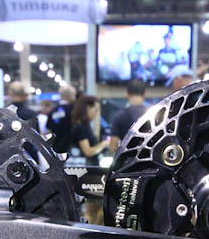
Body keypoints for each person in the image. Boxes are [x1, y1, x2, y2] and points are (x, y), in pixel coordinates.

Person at [71, 95, 110, 224]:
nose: (96, 114)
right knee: (95, 208)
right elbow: (88, 151)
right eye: (95, 110)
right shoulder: (80, 127)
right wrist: (104, 144)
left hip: (89, 171)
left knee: (94, 208)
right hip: (88, 173)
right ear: (87, 107)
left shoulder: (83, 126)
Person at [110, 79, 148, 151]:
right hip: (149, 157)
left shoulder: (119, 116)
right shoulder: (153, 115)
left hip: (127, 157)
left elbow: (113, 147)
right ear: (144, 94)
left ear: (127, 94)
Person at [47, 84, 76, 153]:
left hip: (55, 148)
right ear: (70, 96)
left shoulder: (53, 111)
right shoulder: (74, 110)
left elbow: (49, 130)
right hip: (71, 149)